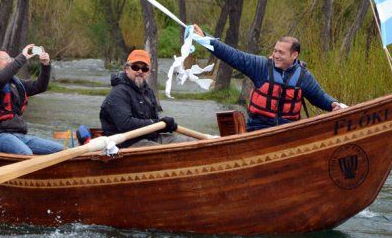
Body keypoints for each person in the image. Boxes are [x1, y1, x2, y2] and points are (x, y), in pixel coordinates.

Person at [192, 25, 342, 131]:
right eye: (275, 51)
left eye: (281, 53)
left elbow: (320, 97)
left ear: (294, 55)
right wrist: (205, 39)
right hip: (258, 129)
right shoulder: (260, 66)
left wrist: (333, 104)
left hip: (289, 132)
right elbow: (233, 55)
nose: (276, 55)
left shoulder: (304, 77)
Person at [0, 44, 64, 155]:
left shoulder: (15, 83)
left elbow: (40, 86)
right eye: (5, 59)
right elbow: (0, 79)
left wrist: (45, 65)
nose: (9, 61)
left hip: (19, 136)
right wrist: (22, 57)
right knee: (26, 153)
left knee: (61, 150)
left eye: (9, 59)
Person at [100, 49, 195, 148]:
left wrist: (165, 125)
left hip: (151, 137)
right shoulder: (118, 93)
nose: (140, 71)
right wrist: (156, 123)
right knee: (161, 151)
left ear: (148, 72)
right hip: (126, 143)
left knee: (191, 142)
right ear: (126, 69)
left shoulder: (148, 92)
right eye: (135, 67)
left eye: (144, 69)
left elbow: (154, 121)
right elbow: (125, 124)